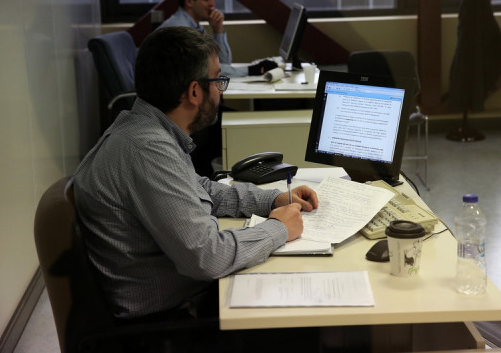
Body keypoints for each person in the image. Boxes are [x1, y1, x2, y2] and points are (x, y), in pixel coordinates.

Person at [73, 27, 318, 328]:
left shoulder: (145, 127)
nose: (221, 90)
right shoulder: (148, 150)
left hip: (177, 296)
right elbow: (208, 258)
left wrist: (272, 200)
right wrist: (278, 228)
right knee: (303, 315)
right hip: (167, 323)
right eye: (218, 80)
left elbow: (196, 187)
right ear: (194, 92)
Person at [159, 0, 278, 78]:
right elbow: (207, 70)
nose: (212, 3)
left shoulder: (195, 26)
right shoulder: (180, 30)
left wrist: (218, 29)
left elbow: (223, 63)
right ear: (189, 1)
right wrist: (252, 70)